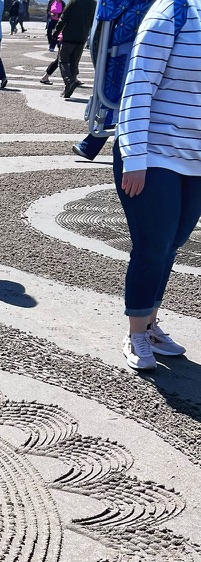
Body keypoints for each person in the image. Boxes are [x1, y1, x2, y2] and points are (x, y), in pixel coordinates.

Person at [114, 0, 201, 371]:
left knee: (172, 244)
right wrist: (134, 157)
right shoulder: (172, 11)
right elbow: (139, 84)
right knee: (152, 246)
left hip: (196, 160)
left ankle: (150, 325)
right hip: (155, 154)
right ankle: (135, 332)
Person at [50, 0, 95, 99]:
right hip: (82, 36)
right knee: (74, 62)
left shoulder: (74, 2)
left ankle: (69, 81)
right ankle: (68, 89)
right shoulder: (93, 3)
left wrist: (56, 32)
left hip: (69, 36)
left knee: (63, 60)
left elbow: (63, 18)